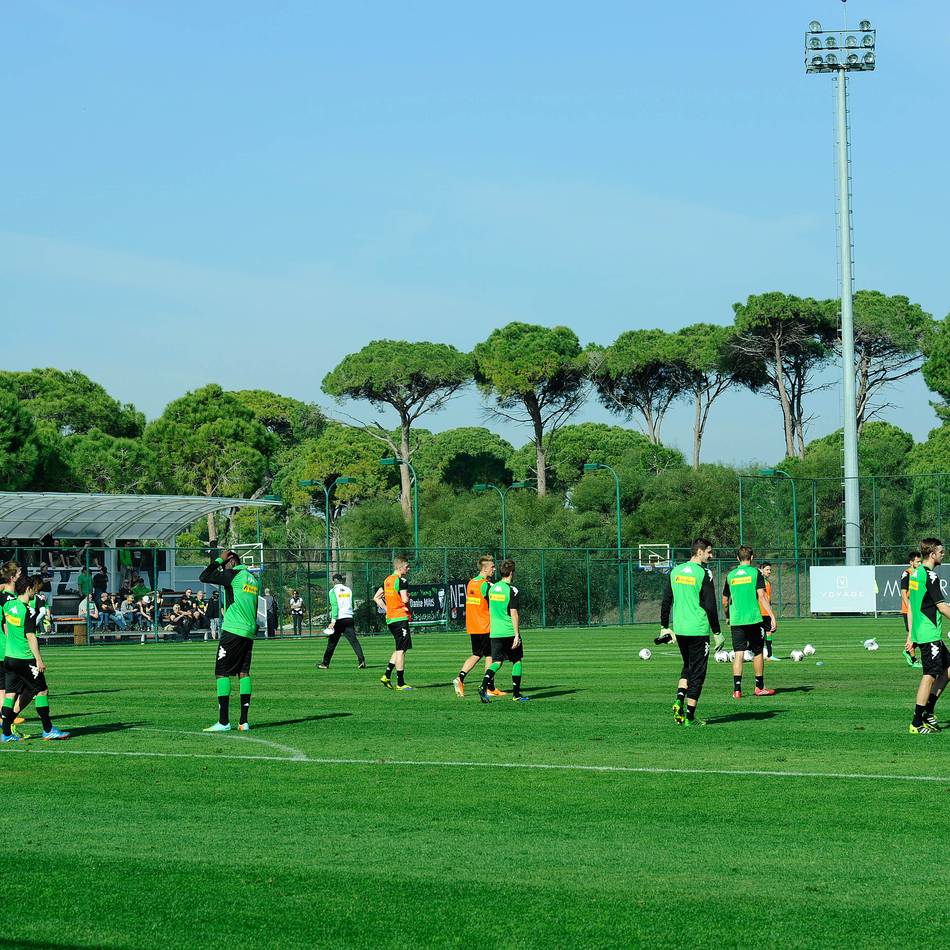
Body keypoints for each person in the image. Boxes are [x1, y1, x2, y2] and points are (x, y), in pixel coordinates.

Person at [660, 538, 721, 726]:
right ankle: (690, 717)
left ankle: (679, 700)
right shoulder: (704, 573)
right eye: (709, 552)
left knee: (687, 666)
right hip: (698, 629)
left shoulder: (675, 571)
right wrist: (717, 632)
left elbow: (666, 600)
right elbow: (710, 605)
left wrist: (664, 626)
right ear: (699, 552)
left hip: (680, 630)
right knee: (698, 673)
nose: (711, 555)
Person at [1, 575, 69, 741]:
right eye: (34, 589)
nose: (35, 592)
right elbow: (31, 636)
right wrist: (38, 659)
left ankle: (6, 733)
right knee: (42, 690)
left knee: (10, 694)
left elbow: (6, 628)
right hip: (25, 658)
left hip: (9, 657)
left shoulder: (8, 605)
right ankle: (48, 729)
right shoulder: (28, 611)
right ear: (28, 589)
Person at [199, 550, 260, 732]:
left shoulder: (233, 574)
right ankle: (244, 722)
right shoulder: (252, 578)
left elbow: (204, 576)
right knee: (243, 672)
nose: (223, 567)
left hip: (233, 629)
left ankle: (224, 722)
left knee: (221, 673)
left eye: (226, 563)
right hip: (249, 631)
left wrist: (219, 559)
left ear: (231, 561)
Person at [722, 546, 776, 700]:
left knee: (739, 654)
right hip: (753, 619)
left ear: (737, 558)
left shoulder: (730, 576)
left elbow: (725, 601)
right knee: (758, 652)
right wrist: (772, 615)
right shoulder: (755, 573)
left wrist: (727, 617)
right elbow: (761, 595)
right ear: (751, 557)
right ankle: (759, 687)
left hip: (737, 620)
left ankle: (737, 690)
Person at [907, 538, 950, 734]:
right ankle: (916, 722)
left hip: (923, 632)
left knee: (948, 669)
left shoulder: (915, 574)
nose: (944, 554)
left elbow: (913, 607)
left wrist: (911, 635)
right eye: (941, 551)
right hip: (929, 633)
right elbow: (941, 607)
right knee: (929, 676)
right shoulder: (930, 576)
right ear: (932, 554)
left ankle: (928, 711)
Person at [478, 558, 528, 703]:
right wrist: (517, 635)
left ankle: (483, 686)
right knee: (517, 660)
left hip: (495, 632)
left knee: (497, 662)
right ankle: (516, 694)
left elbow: (485, 595)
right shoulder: (512, 590)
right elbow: (513, 613)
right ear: (512, 572)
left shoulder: (491, 588)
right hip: (508, 631)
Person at [453, 555, 504, 698]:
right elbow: (495, 603)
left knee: (477, 654)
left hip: (473, 626)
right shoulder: (485, 585)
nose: (494, 569)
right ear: (484, 568)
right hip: (485, 626)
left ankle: (460, 679)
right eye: (492, 567)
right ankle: (489, 687)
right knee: (490, 656)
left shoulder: (471, 582)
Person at [373, 557, 413, 691]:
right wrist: (408, 598)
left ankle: (386, 675)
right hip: (400, 618)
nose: (409, 569)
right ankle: (400, 683)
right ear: (400, 568)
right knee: (401, 650)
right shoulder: (401, 581)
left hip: (391, 619)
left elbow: (376, 598)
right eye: (407, 567)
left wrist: (387, 609)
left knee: (399, 647)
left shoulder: (387, 580)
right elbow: (404, 598)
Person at [319, 575, 366, 669]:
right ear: (342, 580)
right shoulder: (348, 590)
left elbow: (335, 606)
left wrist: (333, 621)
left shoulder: (332, 591)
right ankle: (361, 661)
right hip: (349, 618)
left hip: (339, 619)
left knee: (332, 643)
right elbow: (352, 604)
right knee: (354, 641)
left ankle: (325, 663)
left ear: (333, 581)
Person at [901, 551, 922, 667]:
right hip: (908, 610)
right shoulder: (907, 573)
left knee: (917, 634)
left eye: (920, 561)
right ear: (911, 562)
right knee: (912, 634)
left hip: (916, 608)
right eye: (917, 562)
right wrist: (910, 607)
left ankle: (909, 651)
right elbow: (903, 593)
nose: (919, 563)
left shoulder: (918, 574)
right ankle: (913, 659)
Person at [759, 562, 778, 660]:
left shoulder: (768, 583)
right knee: (759, 635)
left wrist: (771, 615)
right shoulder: (758, 581)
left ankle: (770, 655)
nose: (769, 572)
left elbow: (768, 600)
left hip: (767, 612)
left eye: (770, 570)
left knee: (769, 632)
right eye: (767, 569)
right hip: (759, 612)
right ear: (761, 569)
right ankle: (750, 653)